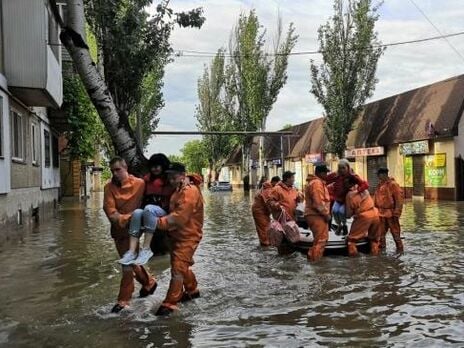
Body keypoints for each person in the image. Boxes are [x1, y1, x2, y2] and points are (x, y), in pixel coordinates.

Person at [103, 157, 157, 313]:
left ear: (125, 168)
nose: (115, 173)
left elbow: (158, 184)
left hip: (134, 230)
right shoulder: (109, 187)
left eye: (118, 170)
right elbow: (110, 213)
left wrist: (188, 180)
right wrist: (130, 217)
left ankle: (123, 300)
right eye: (112, 170)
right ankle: (149, 282)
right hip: (119, 230)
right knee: (131, 262)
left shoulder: (140, 183)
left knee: (127, 264)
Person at [155, 163, 204, 316]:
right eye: (169, 177)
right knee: (180, 266)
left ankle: (170, 304)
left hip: (188, 236)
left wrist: (157, 223)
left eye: (174, 177)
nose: (170, 180)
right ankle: (192, 290)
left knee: (177, 269)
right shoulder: (179, 189)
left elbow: (179, 217)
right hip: (177, 235)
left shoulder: (189, 191)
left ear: (182, 176)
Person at [117, 154, 174, 265]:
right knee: (137, 212)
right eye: (153, 166)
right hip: (149, 213)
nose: (155, 169)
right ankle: (132, 251)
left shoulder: (170, 179)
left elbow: (183, 176)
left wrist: (187, 178)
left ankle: (146, 249)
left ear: (163, 166)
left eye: (158, 166)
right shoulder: (146, 180)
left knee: (148, 208)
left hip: (164, 212)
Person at [326, 159, 369, 234]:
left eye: (343, 168)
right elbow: (325, 179)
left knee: (341, 212)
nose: (342, 170)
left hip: (347, 200)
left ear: (348, 167)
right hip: (338, 199)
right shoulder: (336, 175)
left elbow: (365, 184)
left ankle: (344, 225)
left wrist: (357, 191)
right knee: (335, 211)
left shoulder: (352, 176)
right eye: (340, 168)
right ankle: (339, 225)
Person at [344, 176, 381, 257]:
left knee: (351, 241)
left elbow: (348, 214)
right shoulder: (364, 189)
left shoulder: (349, 194)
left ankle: (354, 264)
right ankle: (375, 259)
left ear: (349, 184)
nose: (344, 184)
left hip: (364, 216)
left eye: (345, 183)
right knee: (374, 240)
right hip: (375, 213)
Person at [374, 167, 404, 254]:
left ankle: (400, 251)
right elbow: (376, 199)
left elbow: (399, 199)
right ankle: (382, 252)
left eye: (379, 175)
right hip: (381, 213)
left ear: (384, 174)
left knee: (395, 234)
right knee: (380, 234)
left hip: (391, 214)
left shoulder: (393, 185)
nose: (378, 177)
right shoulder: (379, 185)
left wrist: (397, 213)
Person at [305, 165, 331, 262]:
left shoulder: (316, 183)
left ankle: (312, 259)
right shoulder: (317, 183)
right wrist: (326, 214)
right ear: (321, 173)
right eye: (326, 173)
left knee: (318, 240)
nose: (327, 175)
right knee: (321, 240)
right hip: (317, 215)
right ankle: (315, 263)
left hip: (315, 215)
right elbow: (318, 202)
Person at [252, 176, 280, 246]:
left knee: (266, 226)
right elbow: (268, 202)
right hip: (259, 211)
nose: (278, 186)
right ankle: (265, 244)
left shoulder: (269, 188)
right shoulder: (268, 190)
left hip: (262, 210)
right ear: (274, 182)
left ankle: (266, 242)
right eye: (278, 184)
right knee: (263, 227)